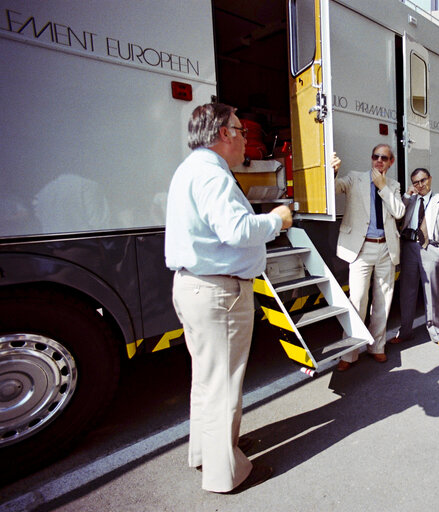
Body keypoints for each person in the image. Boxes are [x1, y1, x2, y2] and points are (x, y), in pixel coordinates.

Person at [165, 103, 292, 492]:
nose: (245, 140)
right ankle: (227, 474)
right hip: (219, 291)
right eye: (240, 131)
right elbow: (236, 230)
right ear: (223, 133)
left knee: (207, 380)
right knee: (223, 383)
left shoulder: (192, 169)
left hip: (198, 286)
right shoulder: (214, 175)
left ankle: (210, 451)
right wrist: (277, 220)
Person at [334, 143, 405, 370]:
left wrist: (382, 187)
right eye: (376, 156)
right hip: (361, 249)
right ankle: (350, 353)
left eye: (384, 158)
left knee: (383, 302)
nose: (379, 161)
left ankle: (377, 347)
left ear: (391, 162)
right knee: (357, 301)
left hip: (386, 248)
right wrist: (332, 171)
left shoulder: (393, 185)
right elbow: (334, 188)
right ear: (371, 157)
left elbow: (399, 212)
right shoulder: (355, 178)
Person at [390, 168, 439, 349]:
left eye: (423, 180)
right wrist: (406, 195)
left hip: (430, 248)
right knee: (407, 292)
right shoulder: (409, 200)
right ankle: (405, 332)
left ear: (430, 179)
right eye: (416, 182)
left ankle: (437, 333)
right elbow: (397, 216)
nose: (420, 185)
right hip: (409, 247)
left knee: (432, 293)